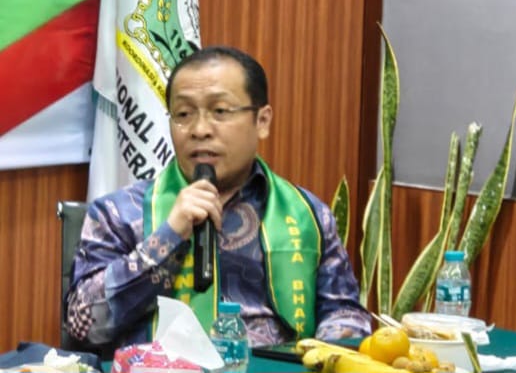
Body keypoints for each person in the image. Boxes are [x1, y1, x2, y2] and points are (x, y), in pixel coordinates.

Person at [65, 46, 371, 354]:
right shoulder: (118, 213)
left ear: (262, 121)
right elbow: (83, 326)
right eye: (183, 114)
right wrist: (168, 237)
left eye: (220, 111)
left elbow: (346, 314)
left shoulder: (308, 215)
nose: (199, 130)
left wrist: (322, 355)